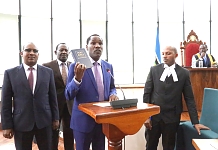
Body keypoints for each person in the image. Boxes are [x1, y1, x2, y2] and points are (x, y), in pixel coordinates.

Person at [143, 46, 210, 150]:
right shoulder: (154, 70)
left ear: (176, 55)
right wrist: (146, 116)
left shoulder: (184, 73)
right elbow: (147, 93)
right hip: (154, 117)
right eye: (163, 53)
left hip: (172, 117)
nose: (165, 56)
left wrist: (195, 122)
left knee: (169, 147)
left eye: (168, 53)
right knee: (150, 146)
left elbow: (189, 98)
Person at [1, 42, 59, 150]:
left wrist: (56, 118)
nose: (32, 53)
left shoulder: (48, 72)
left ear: (38, 54)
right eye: (28, 50)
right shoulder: (10, 73)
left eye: (35, 51)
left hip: (44, 122)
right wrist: (6, 125)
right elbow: (6, 102)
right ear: (21, 53)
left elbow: (53, 97)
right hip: (21, 122)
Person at [65, 34, 119, 150]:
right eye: (93, 43)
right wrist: (77, 79)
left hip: (102, 120)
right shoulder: (76, 66)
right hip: (82, 122)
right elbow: (68, 94)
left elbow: (112, 87)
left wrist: (113, 94)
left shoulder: (108, 66)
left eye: (100, 43)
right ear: (86, 46)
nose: (97, 46)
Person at [42, 43, 74, 150]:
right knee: (53, 132)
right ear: (56, 52)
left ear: (69, 53)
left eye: (66, 50)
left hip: (70, 105)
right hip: (54, 105)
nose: (64, 52)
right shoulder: (47, 66)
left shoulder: (73, 66)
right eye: (61, 50)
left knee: (69, 132)